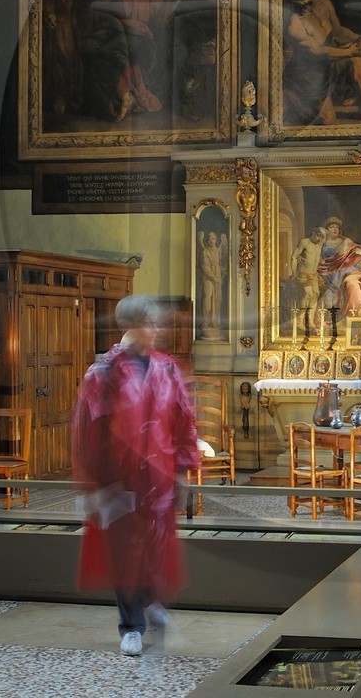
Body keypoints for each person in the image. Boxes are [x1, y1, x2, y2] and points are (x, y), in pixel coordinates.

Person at [71, 295, 199, 657]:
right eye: (150, 323)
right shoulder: (104, 372)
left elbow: (183, 418)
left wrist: (182, 469)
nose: (157, 330)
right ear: (130, 325)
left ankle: (151, 600)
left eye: (158, 323)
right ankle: (131, 626)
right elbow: (88, 428)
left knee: (156, 544)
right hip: (119, 477)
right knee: (124, 551)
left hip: (158, 474)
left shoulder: (167, 368)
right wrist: (95, 484)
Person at [283, 0, 361, 125]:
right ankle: (295, 100)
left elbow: (338, 31)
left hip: (330, 62)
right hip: (310, 72)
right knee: (328, 120)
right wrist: (349, 52)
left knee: (359, 59)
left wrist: (357, 38)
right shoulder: (295, 24)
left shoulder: (325, 4)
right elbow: (319, 52)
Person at [317, 215, 361, 315]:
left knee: (351, 277)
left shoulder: (346, 242)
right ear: (326, 229)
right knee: (327, 296)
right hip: (325, 272)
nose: (335, 229)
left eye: (337, 227)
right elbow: (315, 258)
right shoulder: (321, 243)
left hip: (343, 271)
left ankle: (349, 313)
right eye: (332, 227)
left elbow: (355, 256)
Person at [197, 229, 227, 336]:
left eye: (213, 238)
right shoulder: (204, 251)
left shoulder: (218, 251)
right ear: (207, 240)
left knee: (217, 298)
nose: (211, 240)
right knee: (207, 298)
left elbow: (222, 262)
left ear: (216, 240)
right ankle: (206, 322)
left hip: (217, 275)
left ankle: (215, 322)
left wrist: (220, 274)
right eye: (209, 238)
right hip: (208, 277)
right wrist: (213, 277)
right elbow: (204, 266)